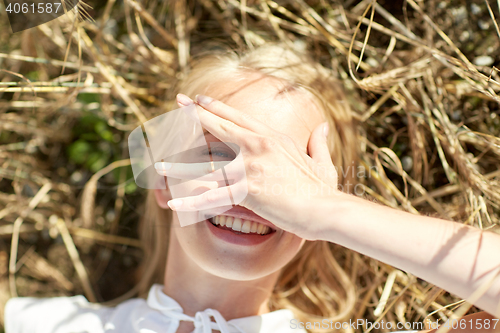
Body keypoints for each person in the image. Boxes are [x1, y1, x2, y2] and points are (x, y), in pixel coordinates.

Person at [4, 45, 499, 333]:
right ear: (161, 178)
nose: (247, 190)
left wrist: (325, 209)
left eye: (287, 173)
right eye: (216, 152)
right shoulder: (46, 325)